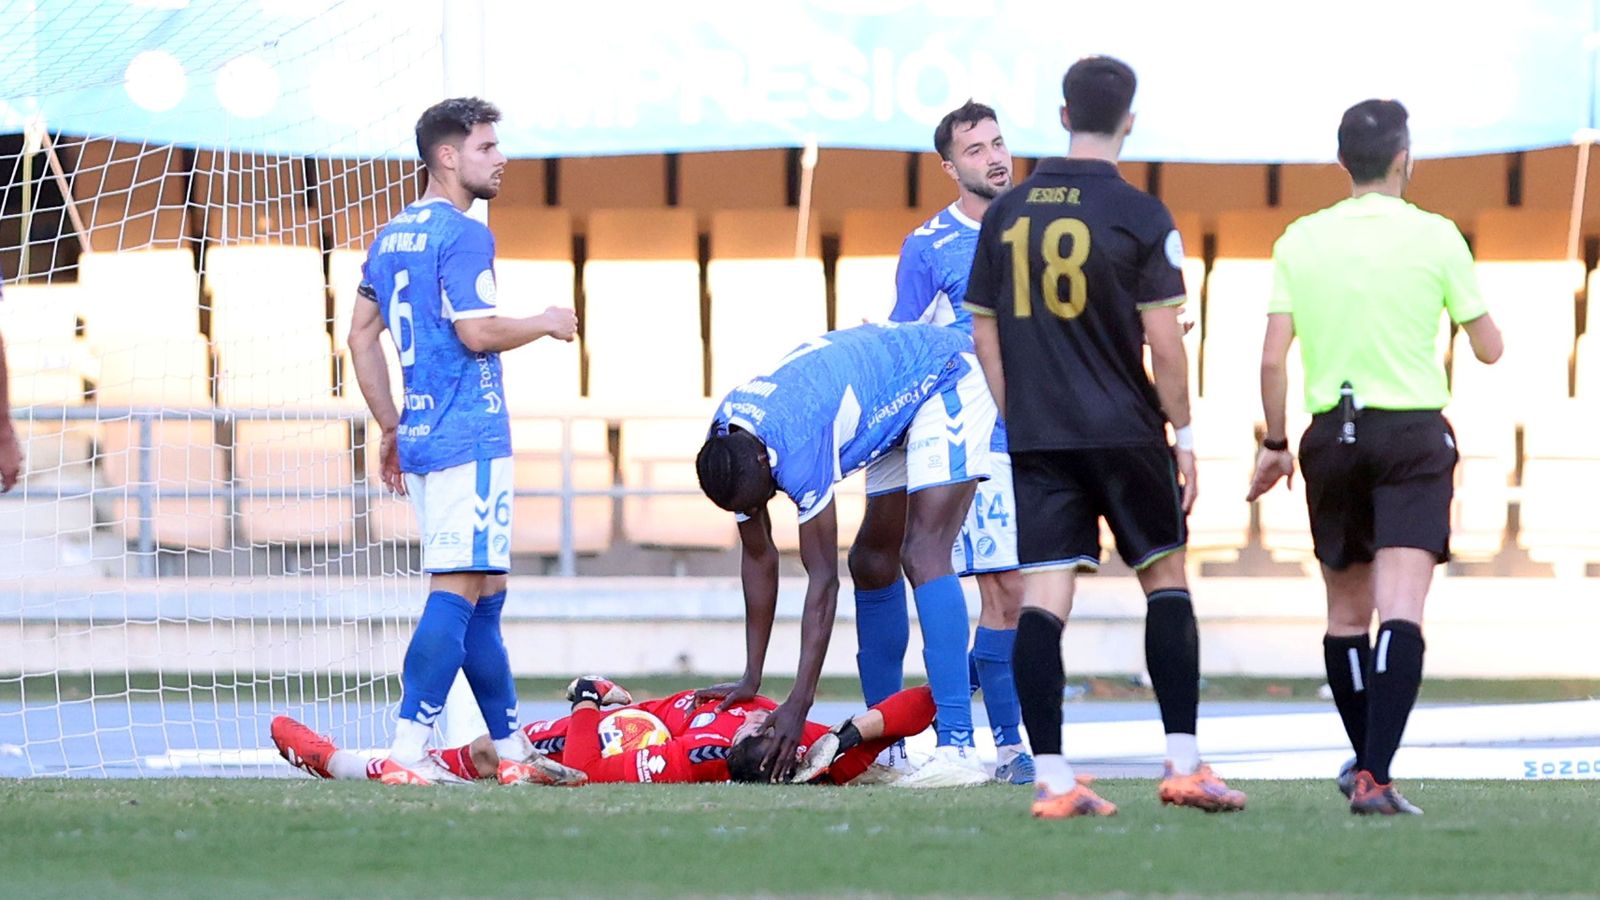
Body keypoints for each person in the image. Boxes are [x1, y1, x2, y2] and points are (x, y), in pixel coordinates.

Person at [964, 56, 1246, 818]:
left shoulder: (1005, 214)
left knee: (1042, 601)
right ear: (1129, 119)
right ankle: (1184, 765)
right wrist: (1182, 436)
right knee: (1165, 581)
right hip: (1126, 431)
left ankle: (1054, 780)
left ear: (1061, 116)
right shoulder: (1143, 215)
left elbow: (983, 333)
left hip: (1041, 436)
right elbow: (1166, 338)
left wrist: (1018, 413)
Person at [1247, 99, 1503, 816]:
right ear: (1403, 157)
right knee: (1402, 609)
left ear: (1341, 164)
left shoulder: (1301, 238)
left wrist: (1274, 441)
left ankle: (1365, 762)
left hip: (1332, 434)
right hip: (1411, 434)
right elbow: (1490, 347)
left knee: (1344, 616)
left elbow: (1273, 360)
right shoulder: (1437, 235)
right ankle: (1375, 778)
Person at [347, 97, 579, 783]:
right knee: (456, 589)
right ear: (447, 156)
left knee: (485, 590)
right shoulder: (466, 232)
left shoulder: (391, 235)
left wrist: (390, 424)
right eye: (486, 147)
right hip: (467, 438)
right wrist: (545, 320)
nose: (500, 157)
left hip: (421, 436)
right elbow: (474, 332)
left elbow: (360, 334)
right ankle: (407, 753)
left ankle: (511, 756)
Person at [694, 322, 996, 786]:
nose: (756, 511)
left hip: (943, 376)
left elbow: (822, 581)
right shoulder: (727, 446)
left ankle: (958, 746)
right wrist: (751, 678)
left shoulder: (796, 444)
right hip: (886, 403)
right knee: (873, 564)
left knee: (923, 551)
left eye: (759, 500)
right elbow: (758, 557)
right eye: (745, 509)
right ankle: (890, 750)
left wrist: (800, 700)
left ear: (763, 463)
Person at [851, 99, 1031, 785]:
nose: (994, 156)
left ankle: (1005, 745)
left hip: (1032, 432)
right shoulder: (928, 246)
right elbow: (907, 343)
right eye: (976, 148)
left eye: (998, 142)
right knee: (992, 585)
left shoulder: (1036, 228)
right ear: (949, 166)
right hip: (969, 436)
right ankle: (972, 740)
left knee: (1012, 593)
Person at [270, 677, 941, 788]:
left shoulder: (700, 759)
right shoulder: (779, 723)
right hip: (600, 716)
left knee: (477, 755)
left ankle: (344, 763)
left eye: (776, 741)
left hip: (568, 742)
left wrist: (590, 705)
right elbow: (921, 702)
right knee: (474, 748)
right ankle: (368, 761)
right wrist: (853, 729)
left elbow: (589, 772)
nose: (778, 727)